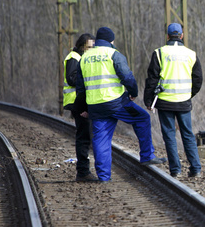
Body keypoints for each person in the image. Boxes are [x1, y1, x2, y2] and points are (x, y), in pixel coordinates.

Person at [74, 26, 165, 182]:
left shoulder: (84, 58)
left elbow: (80, 88)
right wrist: (133, 92)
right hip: (116, 103)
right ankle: (147, 156)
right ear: (111, 40)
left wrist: (83, 107)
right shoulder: (113, 54)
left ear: (97, 41)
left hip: (96, 106)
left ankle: (103, 177)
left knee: (101, 139)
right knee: (142, 118)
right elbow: (127, 77)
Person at [144, 23, 203, 178]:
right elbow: (198, 80)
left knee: (169, 135)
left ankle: (175, 170)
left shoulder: (159, 53)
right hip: (184, 101)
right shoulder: (191, 54)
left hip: (165, 101)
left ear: (168, 36)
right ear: (182, 36)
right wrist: (189, 94)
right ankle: (196, 168)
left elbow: (152, 79)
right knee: (188, 134)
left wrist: (149, 100)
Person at [63, 33, 98, 182]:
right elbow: (71, 78)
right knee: (83, 137)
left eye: (93, 47)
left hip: (81, 101)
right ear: (82, 46)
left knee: (85, 136)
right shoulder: (74, 58)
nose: (91, 50)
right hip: (76, 102)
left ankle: (84, 170)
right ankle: (83, 172)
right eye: (89, 47)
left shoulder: (81, 57)